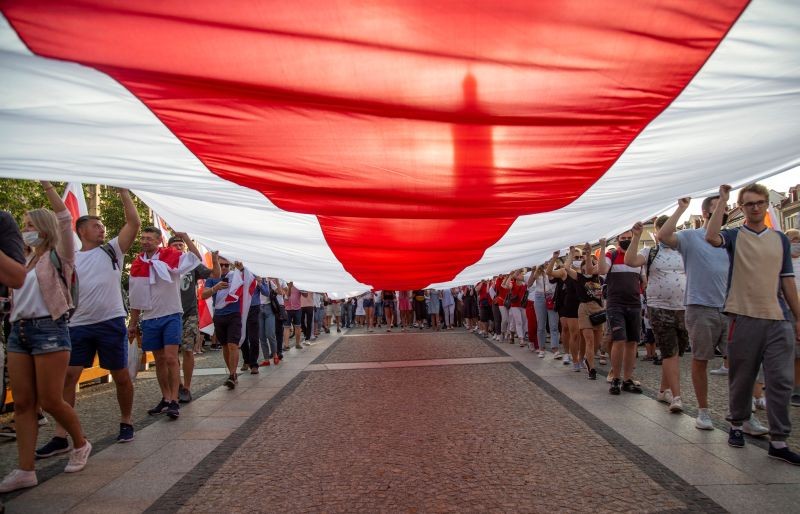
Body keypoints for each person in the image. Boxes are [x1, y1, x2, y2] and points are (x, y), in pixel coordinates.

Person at [0, 181, 91, 493]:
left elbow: (65, 219)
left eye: (29, 225)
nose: (25, 229)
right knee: (24, 403)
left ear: (43, 228)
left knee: (52, 399)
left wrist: (49, 187)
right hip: (19, 331)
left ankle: (80, 443)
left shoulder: (60, 255)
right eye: (23, 225)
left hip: (50, 329)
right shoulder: (20, 259)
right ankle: (26, 470)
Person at [36, 189, 140, 462]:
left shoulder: (113, 250)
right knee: (69, 377)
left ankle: (126, 420)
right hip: (78, 324)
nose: (102, 229)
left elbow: (134, 223)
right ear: (81, 231)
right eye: (96, 226)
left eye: (103, 226)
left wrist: (122, 192)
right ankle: (61, 435)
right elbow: (61, 218)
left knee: (120, 377)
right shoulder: (71, 256)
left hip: (111, 322)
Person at [706, 183, 800, 464]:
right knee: (743, 376)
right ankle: (737, 424)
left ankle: (779, 441)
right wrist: (722, 200)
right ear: (742, 208)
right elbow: (711, 237)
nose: (756, 207)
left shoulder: (780, 240)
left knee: (781, 380)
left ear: (765, 204)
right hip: (744, 315)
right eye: (750, 204)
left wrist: (798, 317)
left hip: (778, 317)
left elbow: (787, 280)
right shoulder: (734, 236)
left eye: (760, 202)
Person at [658, 195, 739, 430]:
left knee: (740, 361)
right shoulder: (690, 237)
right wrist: (681, 209)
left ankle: (740, 412)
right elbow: (663, 236)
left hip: (730, 307)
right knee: (701, 359)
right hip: (700, 307)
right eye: (718, 208)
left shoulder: (731, 238)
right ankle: (703, 412)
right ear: (705, 213)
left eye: (725, 208)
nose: (723, 212)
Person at [129, 229, 201, 417]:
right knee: (159, 360)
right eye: (143, 238)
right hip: (150, 317)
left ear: (159, 241)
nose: (145, 241)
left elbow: (196, 258)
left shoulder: (171, 256)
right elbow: (135, 296)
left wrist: (185, 237)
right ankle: (166, 398)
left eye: (149, 239)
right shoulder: (138, 263)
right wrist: (133, 322)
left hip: (171, 314)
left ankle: (175, 400)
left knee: (170, 358)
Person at [626, 217, 687, 413]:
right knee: (669, 351)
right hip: (659, 307)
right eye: (666, 229)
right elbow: (630, 261)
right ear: (658, 231)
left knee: (676, 352)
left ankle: (663, 390)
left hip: (684, 307)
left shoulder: (684, 250)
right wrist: (636, 237)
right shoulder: (650, 251)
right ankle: (676, 397)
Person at [169, 237, 219, 404]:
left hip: (189, 313)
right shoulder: (164, 262)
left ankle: (187, 388)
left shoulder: (191, 264)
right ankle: (178, 385)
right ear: (168, 247)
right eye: (175, 245)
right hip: (170, 313)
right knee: (171, 353)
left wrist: (216, 259)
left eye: (181, 245)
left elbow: (215, 274)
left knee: (188, 350)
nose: (179, 247)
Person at [202, 258, 244, 388]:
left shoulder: (235, 276)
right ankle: (232, 373)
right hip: (219, 316)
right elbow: (203, 295)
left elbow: (249, 279)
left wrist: (241, 269)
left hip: (234, 315)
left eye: (226, 265)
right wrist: (216, 287)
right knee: (225, 346)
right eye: (221, 265)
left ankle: (232, 374)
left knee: (233, 345)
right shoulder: (212, 278)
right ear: (216, 265)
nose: (224, 267)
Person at [528, 260, 560, 358]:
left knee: (553, 325)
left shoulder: (556, 270)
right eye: (546, 260)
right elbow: (529, 284)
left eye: (550, 260)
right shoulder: (538, 272)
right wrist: (533, 271)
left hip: (551, 297)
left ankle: (555, 349)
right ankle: (541, 348)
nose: (547, 262)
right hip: (539, 296)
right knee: (541, 325)